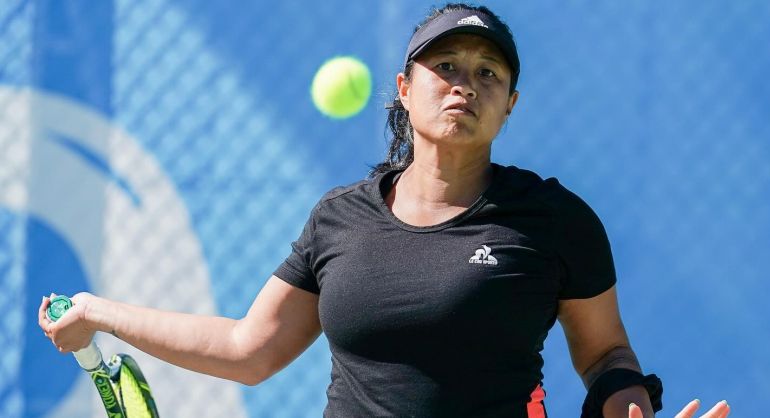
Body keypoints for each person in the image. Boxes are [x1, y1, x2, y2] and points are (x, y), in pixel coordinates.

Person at [39, 3, 730, 418]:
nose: (465, 85)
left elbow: (606, 354)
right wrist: (100, 313)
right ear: (404, 87)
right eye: (446, 67)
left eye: (488, 73)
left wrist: (626, 404)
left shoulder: (552, 219)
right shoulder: (339, 220)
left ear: (510, 104)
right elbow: (249, 350)